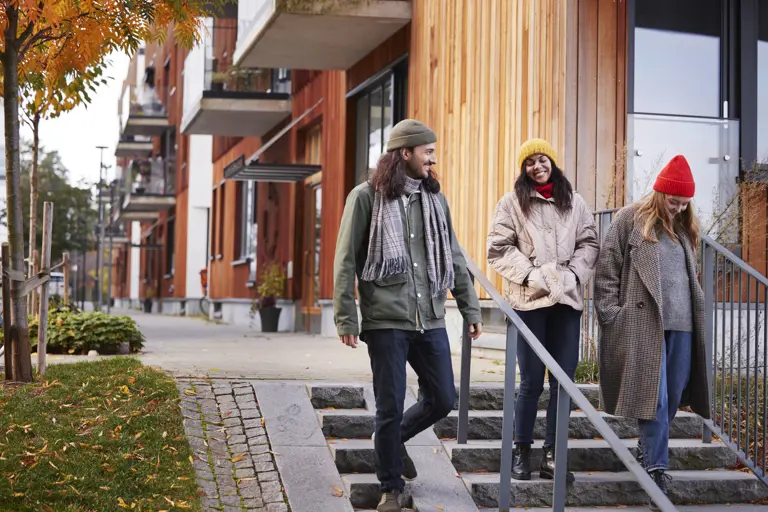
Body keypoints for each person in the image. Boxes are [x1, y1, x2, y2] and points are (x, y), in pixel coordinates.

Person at [333, 119, 483, 512]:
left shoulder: (434, 200)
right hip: (386, 320)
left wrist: (469, 306)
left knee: (443, 397)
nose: (433, 159)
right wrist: (346, 317)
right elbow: (345, 259)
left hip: (429, 316)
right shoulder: (365, 197)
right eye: (427, 152)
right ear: (405, 153)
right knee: (389, 404)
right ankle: (391, 488)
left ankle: (391, 440)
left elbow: (454, 256)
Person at [594, 154, 710, 510]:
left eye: (684, 202)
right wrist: (612, 314)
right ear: (660, 194)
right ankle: (656, 469)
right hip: (644, 324)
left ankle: (647, 447)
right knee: (654, 398)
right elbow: (607, 269)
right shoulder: (629, 219)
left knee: (672, 396)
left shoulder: (685, 228)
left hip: (683, 325)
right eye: (674, 201)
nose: (679, 208)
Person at [486, 138, 599, 483]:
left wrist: (573, 275)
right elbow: (498, 248)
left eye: (542, 159)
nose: (537, 166)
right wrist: (532, 275)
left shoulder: (575, 202)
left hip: (566, 301)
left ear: (552, 161)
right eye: (530, 162)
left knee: (563, 381)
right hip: (529, 302)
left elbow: (589, 242)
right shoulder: (511, 203)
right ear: (524, 169)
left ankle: (553, 455)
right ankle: (522, 451)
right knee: (532, 381)